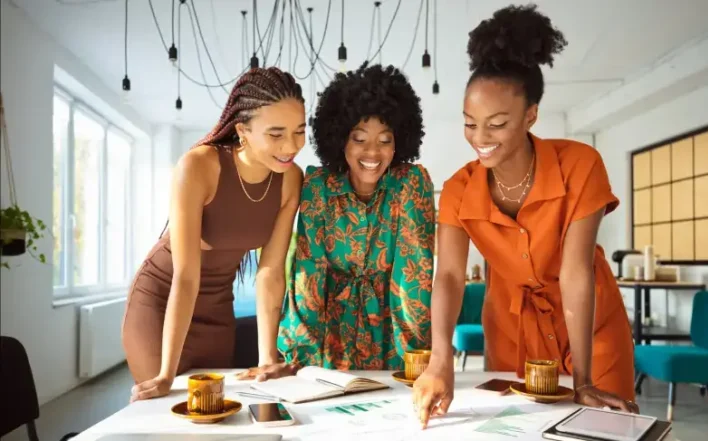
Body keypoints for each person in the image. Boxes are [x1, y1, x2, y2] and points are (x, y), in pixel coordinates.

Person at [412, 4, 639, 427]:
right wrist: (441, 360)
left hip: (590, 326)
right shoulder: (459, 189)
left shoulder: (580, 165)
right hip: (511, 328)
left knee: (602, 428)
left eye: (497, 124)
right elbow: (447, 276)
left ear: (530, 115)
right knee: (517, 430)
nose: (480, 138)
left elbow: (576, 272)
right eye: (469, 123)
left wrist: (585, 379)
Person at [237, 64, 435, 379]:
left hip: (393, 339)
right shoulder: (317, 187)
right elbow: (308, 279)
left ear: (399, 141)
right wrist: (298, 364)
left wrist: (415, 366)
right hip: (328, 341)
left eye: (385, 139)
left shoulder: (412, 184)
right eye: (359, 139)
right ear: (341, 138)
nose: (373, 151)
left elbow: (413, 284)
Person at [122, 67, 306, 401]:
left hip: (218, 304)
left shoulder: (291, 179)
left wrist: (267, 358)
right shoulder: (199, 166)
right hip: (163, 298)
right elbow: (186, 275)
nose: (291, 146)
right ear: (243, 131)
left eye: (299, 131)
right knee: (170, 411)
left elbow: (270, 272)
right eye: (276, 134)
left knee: (211, 410)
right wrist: (165, 375)